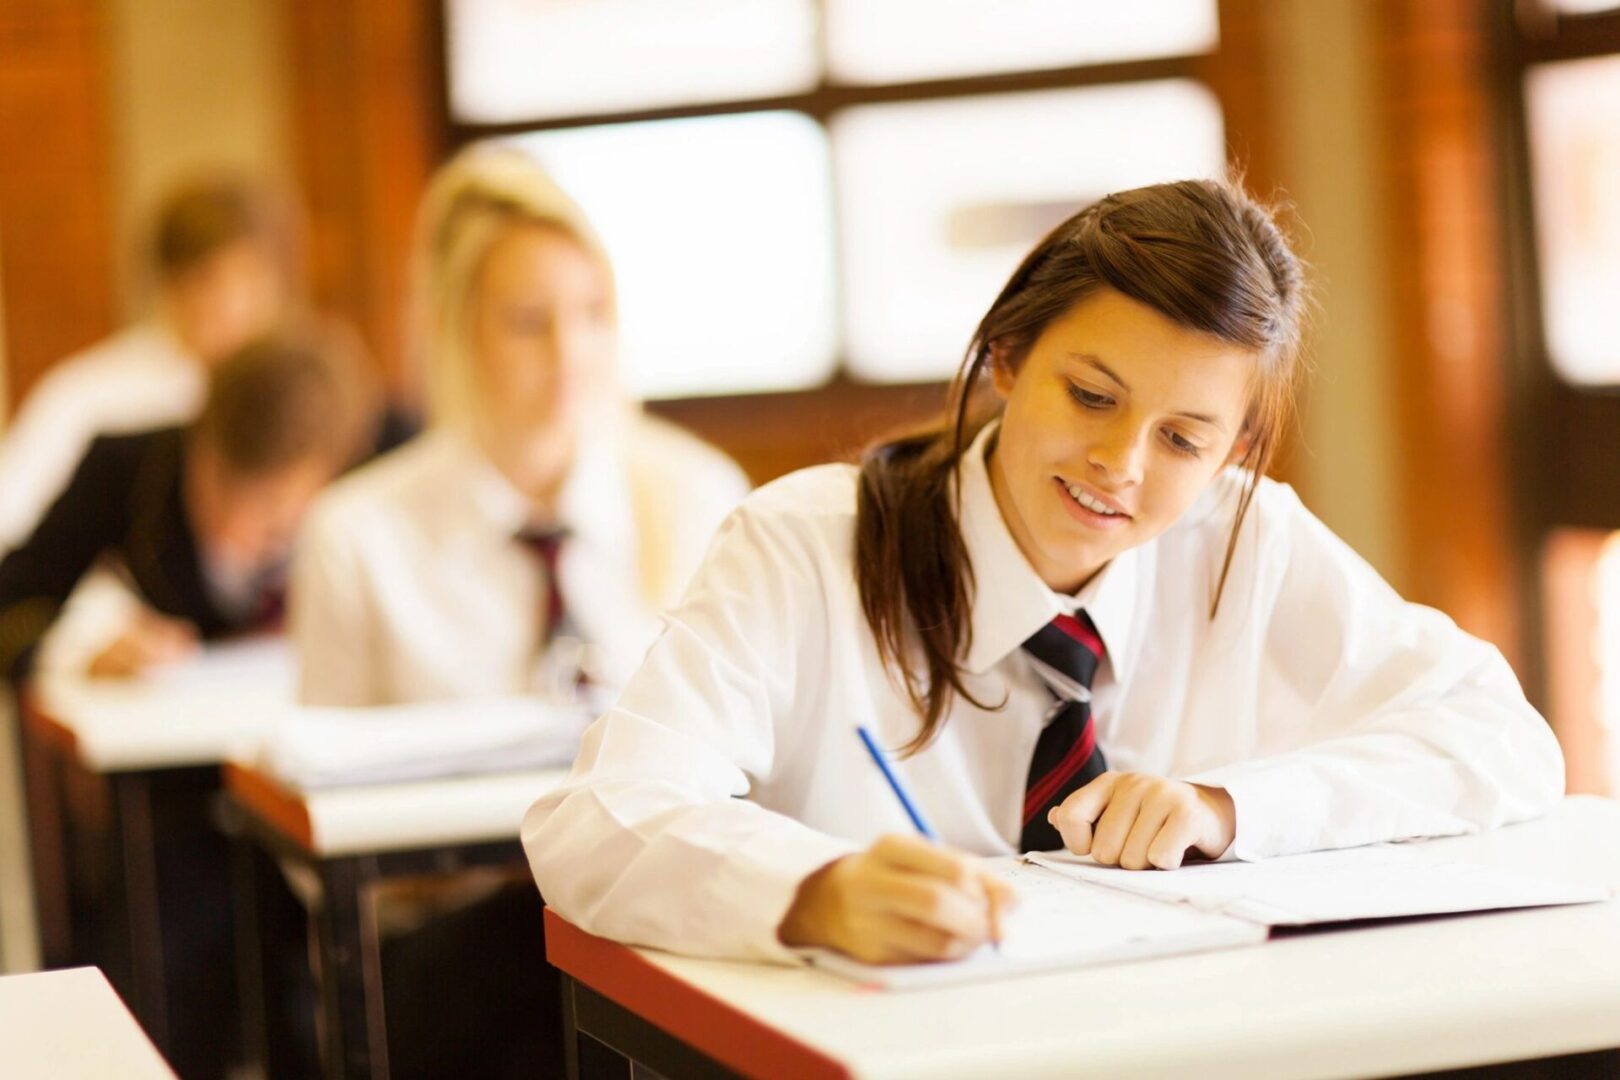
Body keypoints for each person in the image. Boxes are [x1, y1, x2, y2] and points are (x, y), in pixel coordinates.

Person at [522, 179, 1564, 967]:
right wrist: (814, 891)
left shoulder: (1247, 542)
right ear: (1011, 357)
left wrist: (1225, 807)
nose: (1123, 465)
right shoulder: (804, 545)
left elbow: (1499, 738)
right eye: (1093, 396)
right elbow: (601, 819)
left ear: (1235, 450)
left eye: (1186, 439)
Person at [290, 144, 748, 707]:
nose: (568, 352)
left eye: (592, 314)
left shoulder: (701, 500)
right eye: (528, 322)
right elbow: (325, 771)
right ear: (458, 331)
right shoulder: (356, 540)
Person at [0, 324, 379, 684]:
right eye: (221, 488)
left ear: (331, 475)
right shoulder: (125, 468)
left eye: (273, 512)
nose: (236, 529)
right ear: (198, 432)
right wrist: (80, 651)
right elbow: (13, 600)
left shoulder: (377, 477)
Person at [0, 174, 302, 552]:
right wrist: (106, 609)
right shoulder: (86, 396)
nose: (232, 304)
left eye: (252, 278)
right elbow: (10, 528)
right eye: (208, 280)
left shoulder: (305, 398)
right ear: (170, 285)